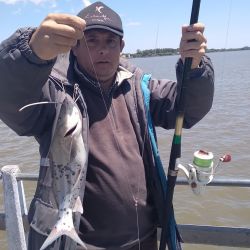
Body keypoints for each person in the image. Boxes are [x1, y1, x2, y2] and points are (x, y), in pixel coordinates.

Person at [0, 1, 214, 250]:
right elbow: (10, 99)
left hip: (144, 241)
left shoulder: (140, 88)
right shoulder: (54, 93)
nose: (102, 50)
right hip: (76, 244)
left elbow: (188, 109)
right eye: (92, 40)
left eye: (110, 41)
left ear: (121, 47)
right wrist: (29, 54)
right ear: (74, 48)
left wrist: (195, 67)